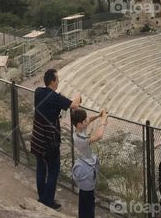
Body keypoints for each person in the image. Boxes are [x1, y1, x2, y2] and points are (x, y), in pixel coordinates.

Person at [30, 68, 81, 210]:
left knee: (41, 168)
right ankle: (47, 201)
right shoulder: (55, 98)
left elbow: (50, 102)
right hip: (49, 141)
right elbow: (75, 105)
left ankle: (42, 196)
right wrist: (78, 95)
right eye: (57, 79)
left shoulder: (38, 92)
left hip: (37, 138)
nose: (58, 81)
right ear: (52, 81)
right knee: (54, 170)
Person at [71, 108, 108, 218]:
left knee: (84, 198)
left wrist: (98, 115)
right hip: (86, 170)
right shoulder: (81, 139)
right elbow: (98, 136)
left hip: (83, 165)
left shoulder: (77, 131)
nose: (87, 121)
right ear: (79, 123)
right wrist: (103, 121)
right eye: (85, 121)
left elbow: (89, 120)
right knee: (88, 201)